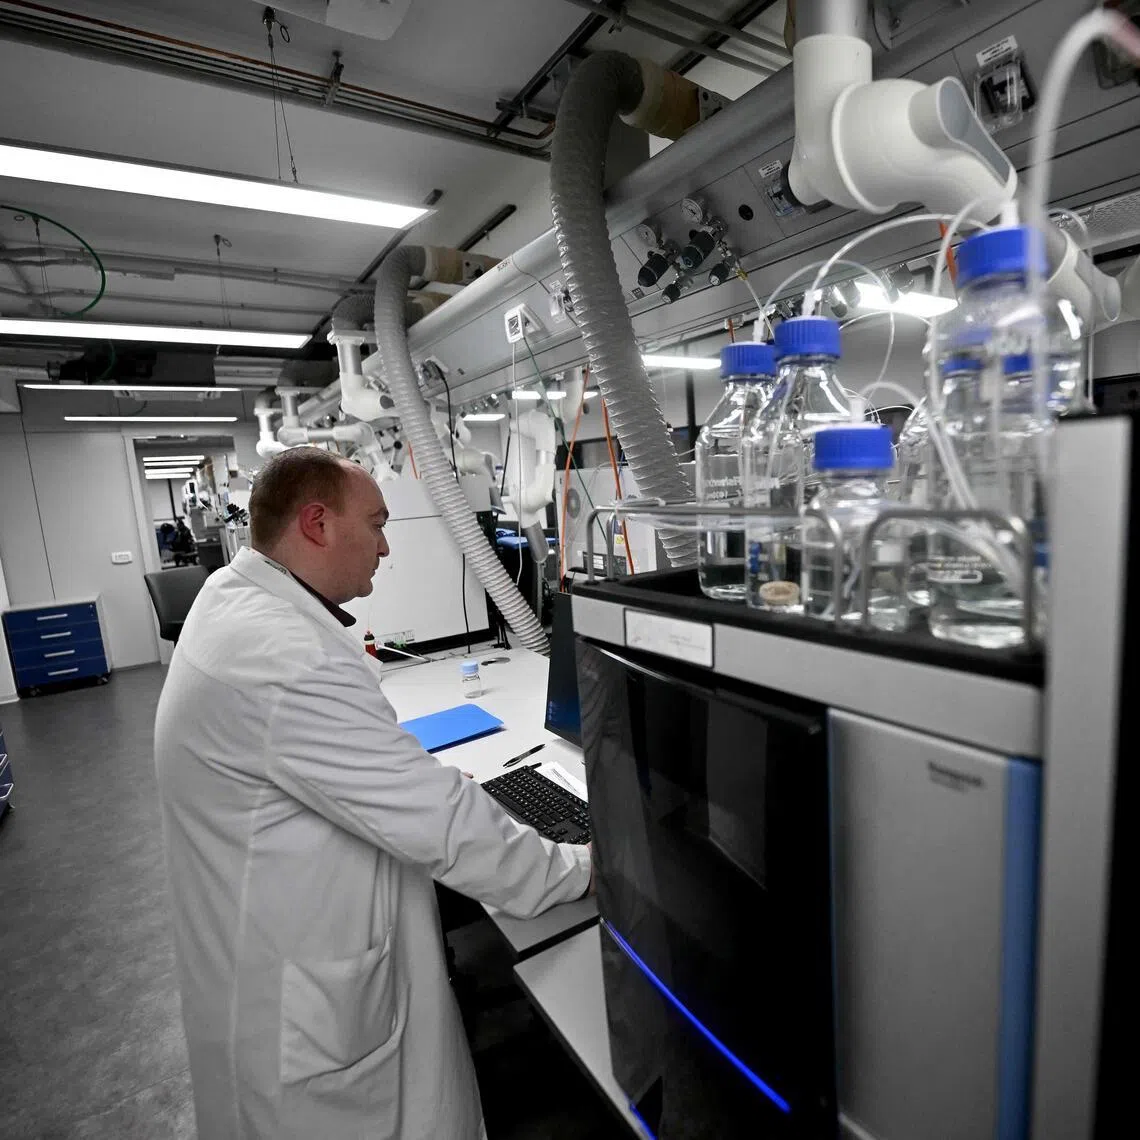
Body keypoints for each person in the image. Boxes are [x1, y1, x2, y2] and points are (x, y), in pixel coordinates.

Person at [154, 447, 592, 1140]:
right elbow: (438, 821)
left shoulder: (240, 601)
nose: (387, 547)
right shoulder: (281, 654)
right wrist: (576, 868)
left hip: (273, 946)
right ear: (318, 524)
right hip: (302, 1017)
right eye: (378, 523)